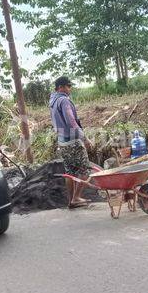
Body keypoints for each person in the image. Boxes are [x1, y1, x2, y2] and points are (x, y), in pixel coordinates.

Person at [49, 76, 92, 208]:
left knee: (70, 172)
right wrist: (84, 138)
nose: (70, 89)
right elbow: (71, 122)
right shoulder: (64, 101)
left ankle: (71, 200)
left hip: (62, 141)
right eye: (68, 86)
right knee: (85, 170)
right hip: (72, 141)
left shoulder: (53, 101)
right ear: (60, 87)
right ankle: (76, 198)